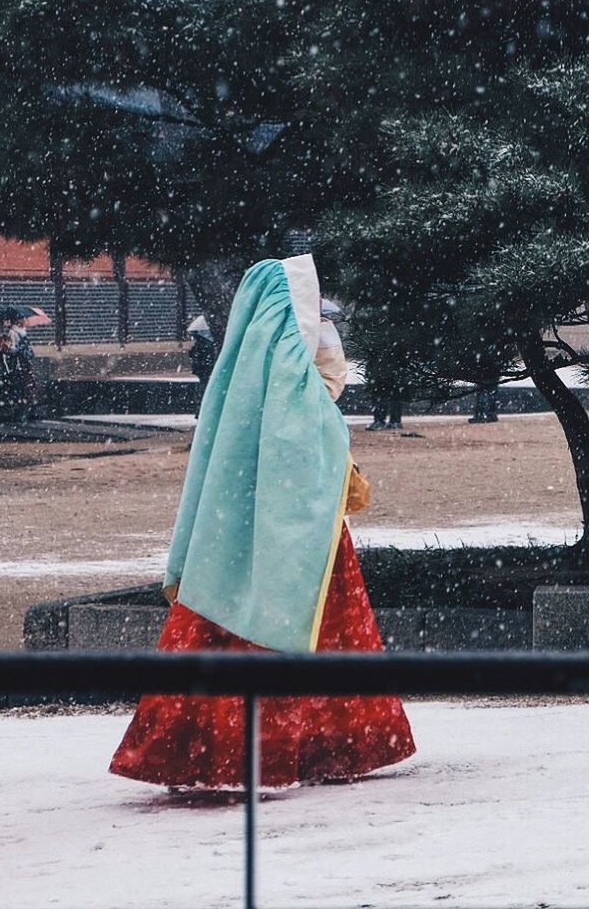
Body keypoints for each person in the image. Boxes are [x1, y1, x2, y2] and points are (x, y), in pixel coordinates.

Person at [110, 255, 415, 790]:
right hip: (305, 542)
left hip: (227, 544)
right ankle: (299, 745)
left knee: (228, 622)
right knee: (300, 634)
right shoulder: (292, 400)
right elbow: (338, 479)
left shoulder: (242, 391)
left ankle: (209, 744)